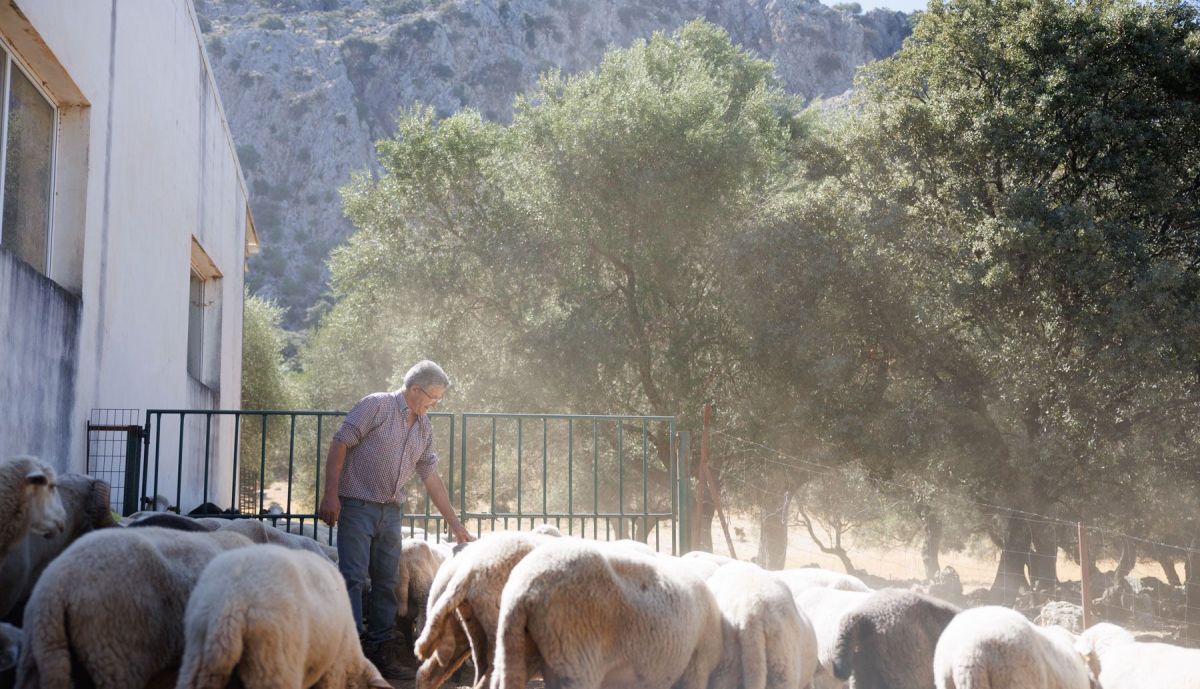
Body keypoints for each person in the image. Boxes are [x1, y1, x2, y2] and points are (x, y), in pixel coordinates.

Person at [319, 359, 473, 680]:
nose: (434, 403)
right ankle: (349, 652)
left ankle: (380, 649)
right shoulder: (375, 406)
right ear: (414, 389)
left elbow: (430, 476)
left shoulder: (424, 426)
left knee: (387, 583)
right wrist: (330, 495)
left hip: (391, 512)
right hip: (357, 506)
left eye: (438, 399)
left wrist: (455, 523)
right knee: (353, 577)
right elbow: (340, 443)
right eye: (432, 397)